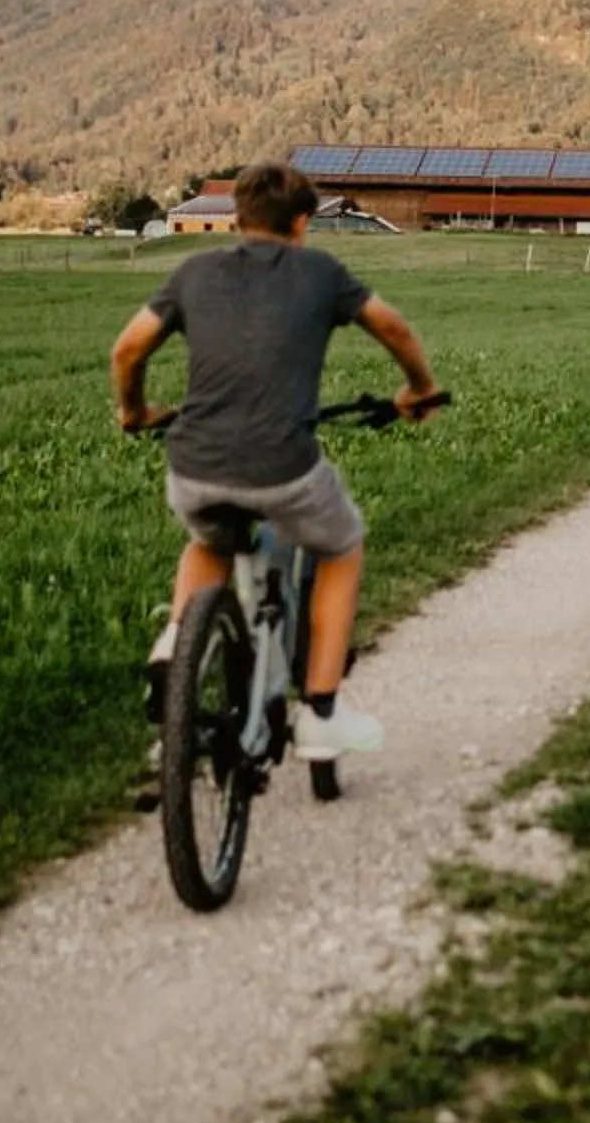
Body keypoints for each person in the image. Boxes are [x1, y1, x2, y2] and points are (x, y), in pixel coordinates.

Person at [110, 161, 444, 763]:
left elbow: (129, 347)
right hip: (283, 468)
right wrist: (419, 389)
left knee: (208, 542)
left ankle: (173, 646)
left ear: (237, 220)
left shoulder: (193, 271)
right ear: (302, 221)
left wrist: (134, 412)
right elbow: (391, 326)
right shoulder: (320, 271)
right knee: (341, 543)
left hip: (194, 465)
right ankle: (320, 711)